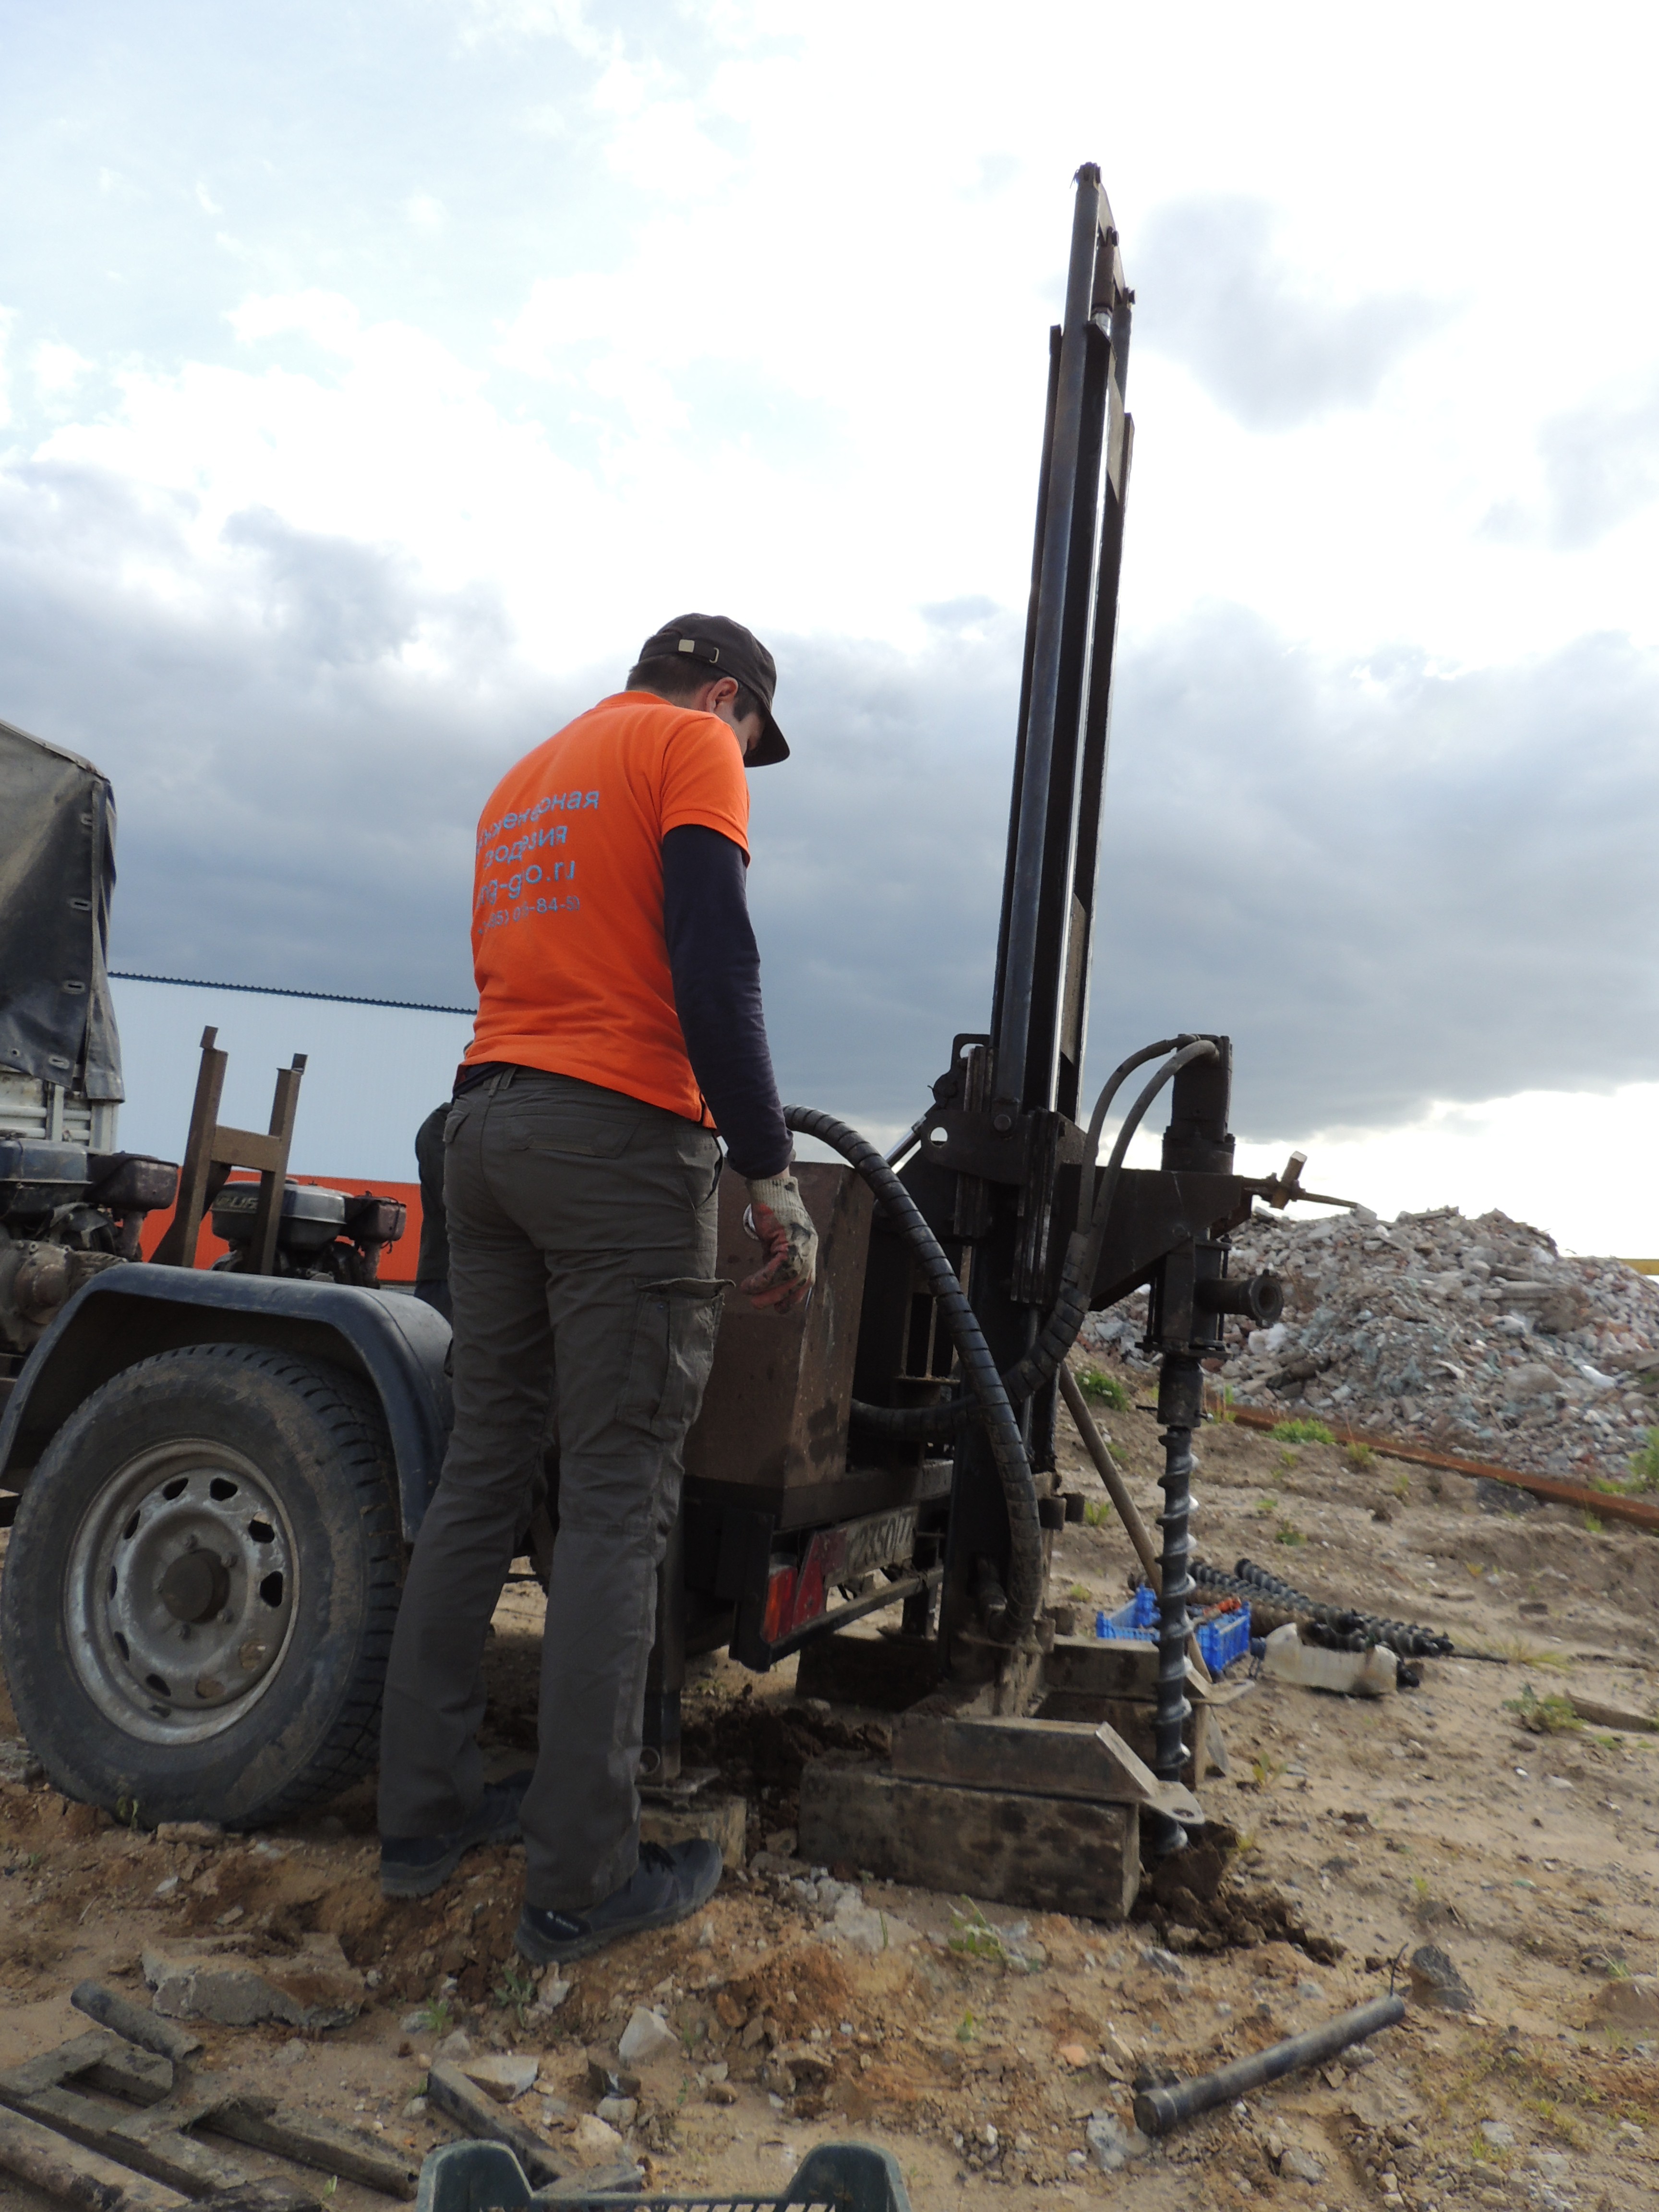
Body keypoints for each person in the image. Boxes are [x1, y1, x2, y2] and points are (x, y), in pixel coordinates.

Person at [377, 614, 816, 1968]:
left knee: (488, 1468)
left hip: (484, 1129)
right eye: (754, 732)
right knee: (623, 1494)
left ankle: (426, 1818)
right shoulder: (692, 746)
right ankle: (581, 1877)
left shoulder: (526, 782)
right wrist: (767, 1167)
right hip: (617, 1141)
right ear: (729, 695)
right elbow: (712, 957)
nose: (745, 756)